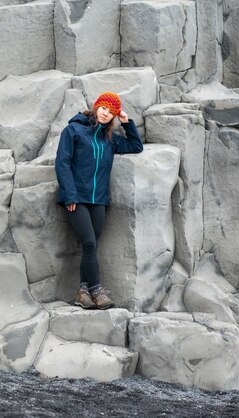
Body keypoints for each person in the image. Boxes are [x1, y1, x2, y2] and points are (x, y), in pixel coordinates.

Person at [55, 92, 143, 309]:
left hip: (99, 200)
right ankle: (97, 290)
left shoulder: (110, 138)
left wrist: (126, 122)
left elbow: (135, 146)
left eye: (110, 112)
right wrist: (69, 194)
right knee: (89, 243)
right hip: (77, 198)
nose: (106, 114)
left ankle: (83, 293)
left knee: (91, 248)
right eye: (104, 108)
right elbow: (62, 162)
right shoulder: (73, 130)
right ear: (96, 107)